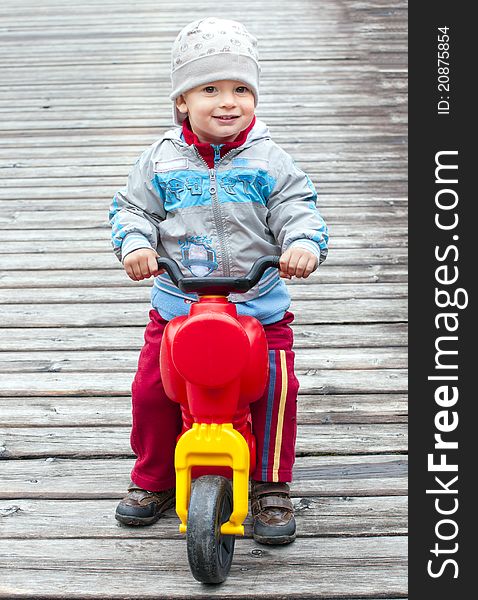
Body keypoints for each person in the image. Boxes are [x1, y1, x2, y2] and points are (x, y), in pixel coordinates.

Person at [109, 17, 328, 545]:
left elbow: (296, 207)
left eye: (241, 89)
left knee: (276, 389)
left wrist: (301, 243)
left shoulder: (270, 160)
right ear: (182, 100)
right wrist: (137, 246)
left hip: (256, 304)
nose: (228, 102)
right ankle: (155, 477)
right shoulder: (160, 160)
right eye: (211, 89)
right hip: (179, 302)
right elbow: (132, 208)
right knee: (153, 390)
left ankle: (270, 484)